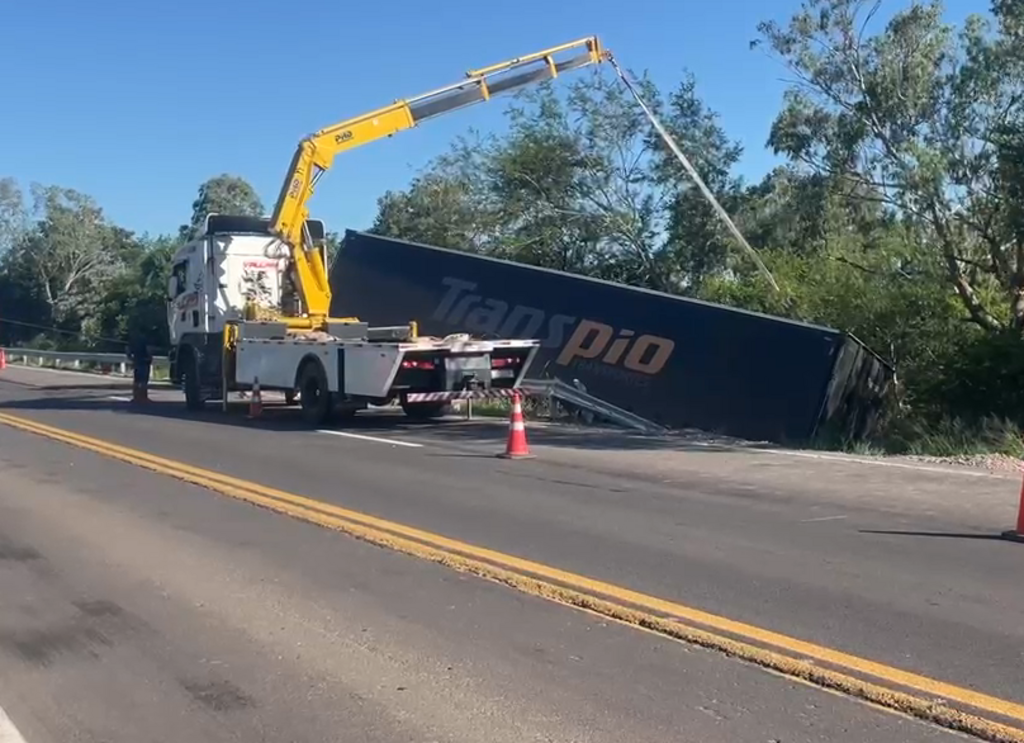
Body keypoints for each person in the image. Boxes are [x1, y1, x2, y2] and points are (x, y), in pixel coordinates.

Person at [127, 331, 153, 403]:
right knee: (144, 380)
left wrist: (131, 358)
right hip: (144, 361)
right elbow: (148, 349)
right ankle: (144, 397)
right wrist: (150, 358)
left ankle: (135, 396)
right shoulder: (146, 339)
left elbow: (128, 350)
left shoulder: (133, 339)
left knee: (136, 380)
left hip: (136, 361)